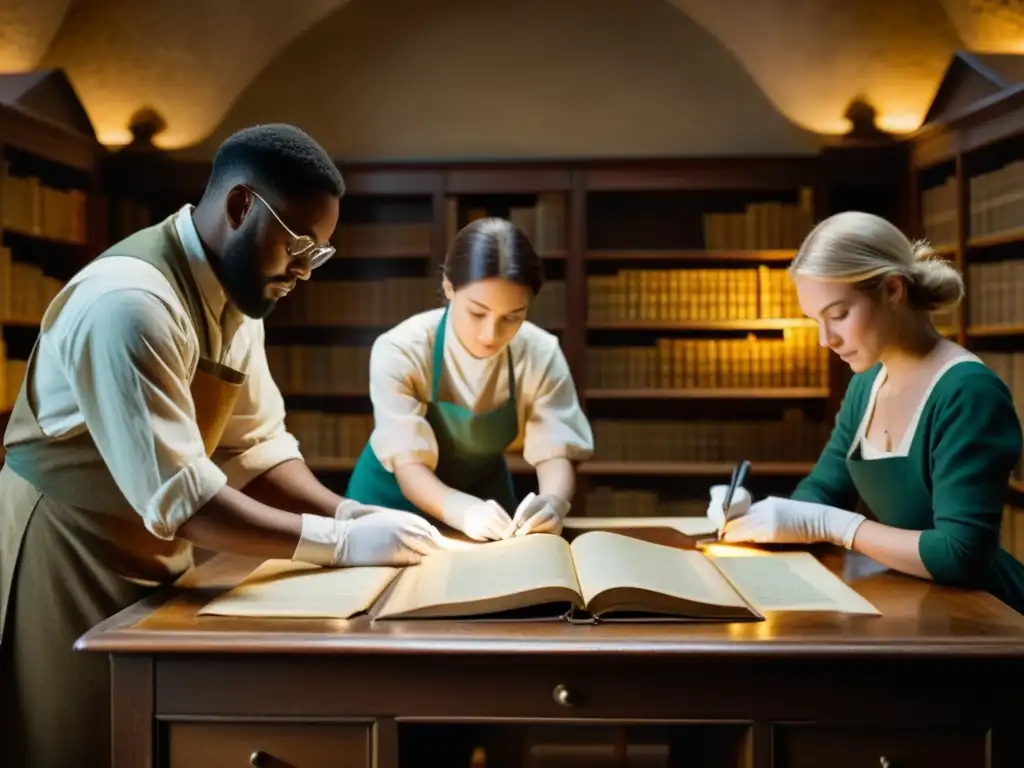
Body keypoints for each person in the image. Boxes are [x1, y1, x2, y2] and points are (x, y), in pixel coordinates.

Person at [0, 123, 443, 768]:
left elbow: (255, 448)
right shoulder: (130, 303)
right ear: (241, 207)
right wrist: (338, 545)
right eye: (298, 245)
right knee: (75, 738)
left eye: (318, 254)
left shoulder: (236, 296)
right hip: (66, 551)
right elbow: (184, 499)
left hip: (148, 546)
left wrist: (346, 511)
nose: (303, 272)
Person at [706, 210, 1024, 613]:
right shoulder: (866, 384)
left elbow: (961, 554)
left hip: (992, 616)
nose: (826, 339)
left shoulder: (968, 392)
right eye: (815, 320)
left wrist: (836, 526)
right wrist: (755, 513)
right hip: (922, 606)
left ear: (893, 290)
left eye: (838, 315)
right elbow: (823, 492)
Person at [346, 217, 594, 543]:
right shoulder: (401, 350)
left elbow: (556, 449)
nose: (491, 334)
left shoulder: (540, 353)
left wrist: (553, 501)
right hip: (392, 496)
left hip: (484, 491)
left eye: (512, 317)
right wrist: (461, 510)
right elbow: (408, 467)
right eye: (477, 313)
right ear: (449, 287)